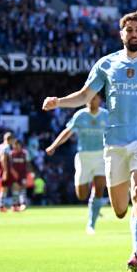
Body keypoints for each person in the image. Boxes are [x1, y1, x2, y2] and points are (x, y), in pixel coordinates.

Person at [43, 11, 137, 272]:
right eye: (129, 30)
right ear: (121, 33)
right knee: (120, 209)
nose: (134, 34)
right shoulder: (106, 64)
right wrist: (59, 102)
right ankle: (127, 218)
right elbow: (84, 95)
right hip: (114, 142)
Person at [46, 95, 109, 234]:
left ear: (99, 100)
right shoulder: (80, 115)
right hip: (83, 157)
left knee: (99, 189)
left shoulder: (106, 115)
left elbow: (116, 132)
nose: (92, 101)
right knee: (81, 195)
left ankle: (91, 223)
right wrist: (53, 146)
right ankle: (95, 206)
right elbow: (67, 132)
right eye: (90, 99)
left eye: (95, 98)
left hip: (101, 156)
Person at [0, 132, 15, 212]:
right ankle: (2, 205)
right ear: (9, 139)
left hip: (1, 168)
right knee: (5, 187)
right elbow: (3, 158)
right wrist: (6, 171)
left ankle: (2, 205)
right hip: (5, 168)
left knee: (5, 187)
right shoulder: (6, 147)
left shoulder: (0, 146)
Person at [10, 139, 29, 212]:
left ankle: (23, 204)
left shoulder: (24, 153)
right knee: (15, 189)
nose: (16, 146)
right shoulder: (11, 154)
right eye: (15, 145)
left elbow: (28, 164)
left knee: (22, 189)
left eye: (17, 144)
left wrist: (29, 173)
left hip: (23, 174)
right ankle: (15, 205)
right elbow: (9, 165)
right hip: (14, 175)